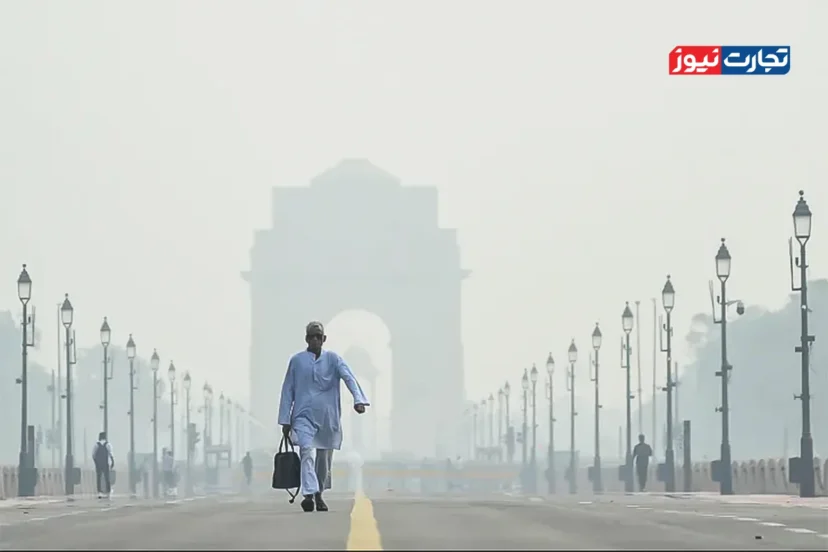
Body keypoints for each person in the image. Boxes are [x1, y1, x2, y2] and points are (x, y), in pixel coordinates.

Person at [279, 321, 369, 513]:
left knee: (323, 460)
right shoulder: (297, 361)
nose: (314, 340)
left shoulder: (333, 359)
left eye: (318, 336)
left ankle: (319, 493)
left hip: (328, 416)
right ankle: (309, 495)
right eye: (311, 336)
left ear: (324, 339)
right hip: (303, 416)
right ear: (306, 339)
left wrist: (358, 400)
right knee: (306, 451)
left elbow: (349, 378)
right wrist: (285, 419)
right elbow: (287, 389)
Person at [92, 432, 114, 499]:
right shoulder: (108, 444)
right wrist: (112, 462)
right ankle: (108, 491)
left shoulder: (96, 445)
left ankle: (99, 492)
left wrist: (96, 462)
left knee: (99, 478)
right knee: (107, 477)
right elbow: (111, 454)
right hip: (105, 463)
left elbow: (93, 455)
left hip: (98, 463)